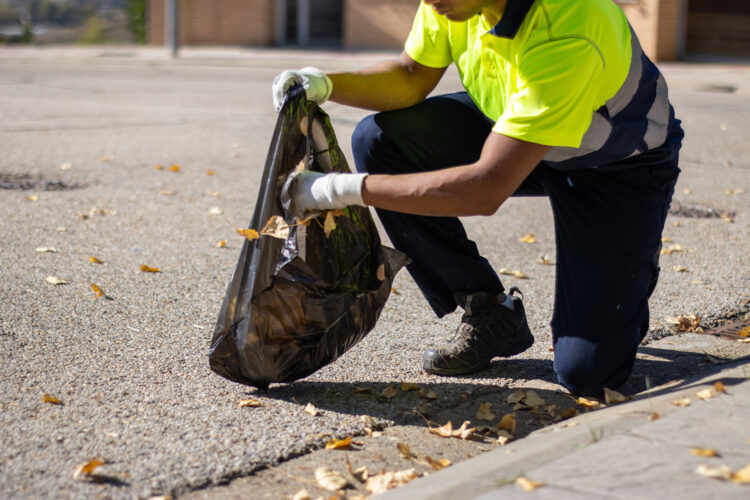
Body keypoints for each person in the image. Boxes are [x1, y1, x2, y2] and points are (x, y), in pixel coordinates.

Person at [271, 0, 682, 396]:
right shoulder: (452, 3)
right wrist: (323, 83)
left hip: (614, 166)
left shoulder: (569, 23)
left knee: (588, 374)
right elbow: (409, 74)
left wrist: (337, 190)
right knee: (380, 140)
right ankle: (489, 311)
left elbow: (487, 187)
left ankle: (628, 265)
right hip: (518, 134)